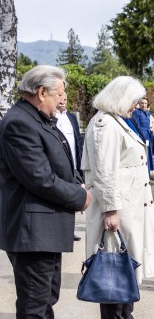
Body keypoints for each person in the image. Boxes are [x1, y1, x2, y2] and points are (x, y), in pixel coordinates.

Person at [0, 65, 92, 319]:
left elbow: (60, 163)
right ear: (41, 93)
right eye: (58, 94)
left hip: (46, 225)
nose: (61, 100)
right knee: (34, 300)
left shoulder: (36, 119)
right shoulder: (19, 123)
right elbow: (39, 177)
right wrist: (79, 195)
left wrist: (76, 185)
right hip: (31, 228)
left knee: (47, 295)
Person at [82, 76, 154, 319]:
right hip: (118, 207)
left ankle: (126, 315)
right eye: (133, 100)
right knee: (113, 264)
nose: (137, 105)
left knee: (129, 261)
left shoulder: (118, 121)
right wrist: (110, 210)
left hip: (131, 206)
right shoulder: (104, 123)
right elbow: (103, 172)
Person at [54, 95, 84, 241]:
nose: (62, 101)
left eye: (65, 99)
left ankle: (70, 229)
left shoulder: (71, 117)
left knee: (72, 197)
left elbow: (78, 140)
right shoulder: (50, 116)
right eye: (59, 98)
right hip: (59, 165)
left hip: (74, 163)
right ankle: (60, 229)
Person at [130, 97, 154, 174]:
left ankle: (148, 172)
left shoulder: (147, 113)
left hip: (148, 136)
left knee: (148, 154)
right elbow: (136, 126)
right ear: (139, 104)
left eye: (145, 103)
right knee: (143, 154)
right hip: (141, 135)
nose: (144, 105)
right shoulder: (136, 113)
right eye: (142, 103)